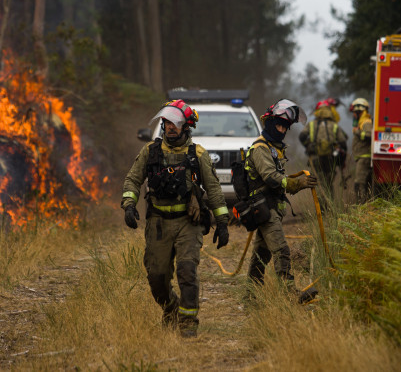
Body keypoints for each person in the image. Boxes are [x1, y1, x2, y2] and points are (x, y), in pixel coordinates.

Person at [121, 99, 230, 338]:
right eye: (167, 122)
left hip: (187, 223)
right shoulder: (150, 151)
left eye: (176, 123)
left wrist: (222, 222)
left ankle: (188, 323)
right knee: (156, 277)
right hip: (158, 223)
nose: (170, 127)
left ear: (186, 126)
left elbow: (213, 190)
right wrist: (129, 205)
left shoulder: (198, 154)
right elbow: (132, 180)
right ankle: (170, 308)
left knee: (187, 270)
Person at [243, 99, 318, 302]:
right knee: (281, 249)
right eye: (278, 125)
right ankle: (290, 293)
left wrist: (297, 181)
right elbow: (270, 177)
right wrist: (297, 184)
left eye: (285, 127)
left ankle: (251, 295)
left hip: (271, 206)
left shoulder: (273, 147)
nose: (282, 129)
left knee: (261, 253)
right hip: (263, 207)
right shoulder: (260, 148)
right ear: (269, 123)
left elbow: (278, 179)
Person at [298, 100, 348, 195]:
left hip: (315, 158)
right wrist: (340, 154)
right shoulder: (334, 125)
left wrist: (308, 146)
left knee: (318, 183)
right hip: (330, 159)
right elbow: (343, 143)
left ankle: (321, 208)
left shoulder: (312, 124)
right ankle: (330, 207)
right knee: (328, 184)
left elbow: (302, 137)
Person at [349, 98, 373, 203]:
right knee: (362, 183)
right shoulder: (362, 122)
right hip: (362, 157)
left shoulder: (366, 122)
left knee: (359, 184)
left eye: (354, 112)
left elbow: (370, 135)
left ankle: (362, 208)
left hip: (364, 157)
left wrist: (357, 132)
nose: (353, 115)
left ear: (359, 111)